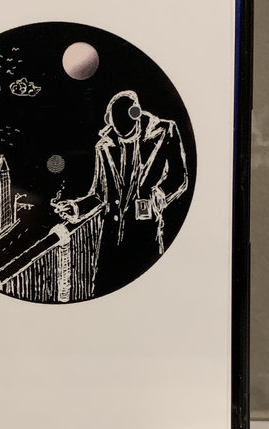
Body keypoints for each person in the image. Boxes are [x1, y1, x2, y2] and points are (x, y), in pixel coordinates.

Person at [52, 90, 189, 294]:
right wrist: (76, 208)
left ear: (136, 114)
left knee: (147, 293)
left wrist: (161, 194)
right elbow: (99, 194)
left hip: (145, 236)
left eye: (127, 134)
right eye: (118, 132)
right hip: (110, 240)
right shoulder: (104, 146)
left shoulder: (165, 131)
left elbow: (179, 177)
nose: (122, 137)